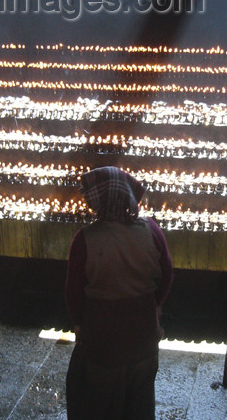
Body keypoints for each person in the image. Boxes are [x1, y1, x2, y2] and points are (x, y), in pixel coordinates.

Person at [65, 166, 173, 420]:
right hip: (143, 337)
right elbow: (166, 276)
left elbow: (73, 292)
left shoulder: (85, 239)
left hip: (103, 340)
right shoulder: (152, 231)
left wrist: (79, 324)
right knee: (139, 406)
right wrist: (152, 306)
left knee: (100, 405)